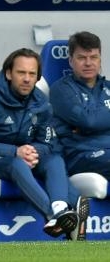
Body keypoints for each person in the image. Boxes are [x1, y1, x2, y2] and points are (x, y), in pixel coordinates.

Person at [0, 48, 86, 240]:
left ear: (37, 77)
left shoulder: (40, 101)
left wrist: (31, 151)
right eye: (21, 72)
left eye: (32, 74)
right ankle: (52, 214)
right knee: (15, 163)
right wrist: (14, 151)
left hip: (24, 159)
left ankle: (61, 208)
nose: (27, 79)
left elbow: (49, 142)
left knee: (54, 159)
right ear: (9, 73)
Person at [50, 31, 107, 240]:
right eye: (82, 58)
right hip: (78, 153)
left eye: (94, 57)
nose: (88, 63)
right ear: (71, 60)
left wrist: (91, 122)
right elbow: (88, 121)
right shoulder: (61, 90)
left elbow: (89, 122)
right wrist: (92, 123)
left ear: (100, 59)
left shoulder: (107, 88)